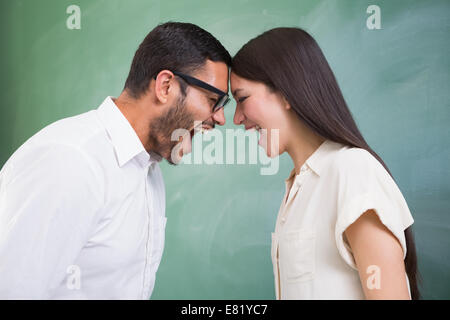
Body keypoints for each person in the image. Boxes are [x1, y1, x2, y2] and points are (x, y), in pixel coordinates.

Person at [0, 22, 231, 299]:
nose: (220, 118)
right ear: (166, 86)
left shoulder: (148, 170)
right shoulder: (70, 160)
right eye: (213, 100)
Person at [230, 27, 420, 299]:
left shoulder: (353, 172)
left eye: (242, 99)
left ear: (284, 92)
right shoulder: (297, 189)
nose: (237, 118)